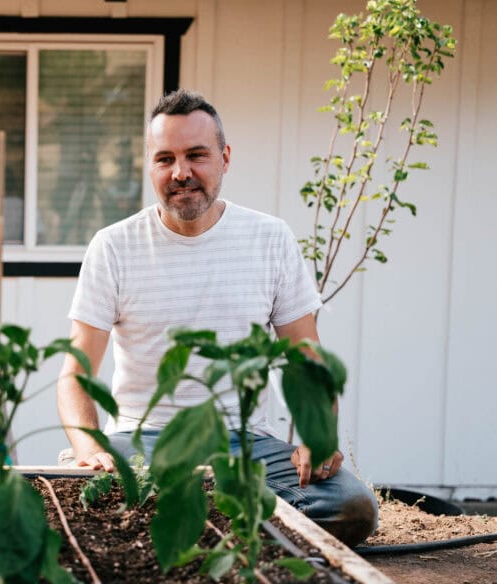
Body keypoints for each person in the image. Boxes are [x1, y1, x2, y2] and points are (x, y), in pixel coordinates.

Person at [56, 90, 378, 547]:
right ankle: (224, 525)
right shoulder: (114, 246)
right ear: (150, 166)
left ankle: (196, 523)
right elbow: (75, 373)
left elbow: (307, 357)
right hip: (143, 439)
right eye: (165, 158)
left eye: (196, 155)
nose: (181, 172)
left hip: (243, 443)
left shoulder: (269, 238)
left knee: (351, 508)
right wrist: (89, 448)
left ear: (225, 158)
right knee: (78, 504)